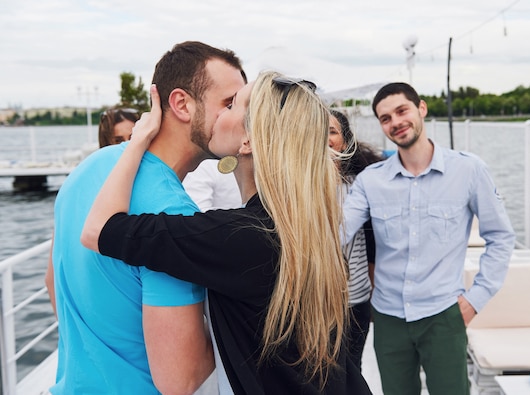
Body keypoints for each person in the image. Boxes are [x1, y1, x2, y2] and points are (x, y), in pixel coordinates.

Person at [80, 71, 373, 394]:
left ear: (247, 140)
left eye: (232, 105)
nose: (220, 112)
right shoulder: (301, 227)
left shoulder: (240, 238)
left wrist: (137, 142)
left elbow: (98, 230)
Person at [44, 41, 246, 394]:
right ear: (182, 104)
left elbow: (53, 282)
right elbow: (181, 381)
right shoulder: (171, 212)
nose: (240, 117)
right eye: (229, 103)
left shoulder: (85, 171)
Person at [341, 82, 516, 395]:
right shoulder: (371, 181)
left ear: (421, 108)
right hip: (388, 317)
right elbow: (335, 233)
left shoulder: (469, 170)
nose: (395, 122)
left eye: (401, 111)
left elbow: (501, 238)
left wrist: (475, 300)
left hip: (444, 314)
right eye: (385, 118)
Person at [329, 109, 383, 371]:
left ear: (345, 142)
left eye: (331, 132)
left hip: (355, 302)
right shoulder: (295, 189)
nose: (324, 139)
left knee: (352, 372)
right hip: (313, 305)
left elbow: (373, 246)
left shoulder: (361, 186)